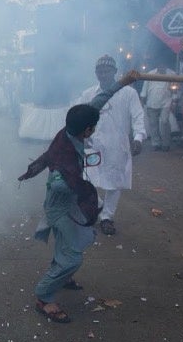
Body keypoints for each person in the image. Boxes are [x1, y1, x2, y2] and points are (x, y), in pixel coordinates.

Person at [19, 71, 139, 322]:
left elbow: (99, 99)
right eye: (93, 128)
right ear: (87, 129)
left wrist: (124, 82)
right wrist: (89, 198)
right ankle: (44, 296)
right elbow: (62, 184)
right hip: (61, 205)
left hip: (69, 201)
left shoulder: (73, 128)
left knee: (70, 242)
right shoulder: (65, 159)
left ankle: (62, 275)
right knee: (73, 257)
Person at [75, 55, 146, 236]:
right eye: (100, 71)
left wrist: (138, 137)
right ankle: (99, 208)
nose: (103, 74)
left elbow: (138, 116)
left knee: (114, 183)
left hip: (117, 146)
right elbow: (78, 116)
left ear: (115, 72)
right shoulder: (88, 94)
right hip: (93, 145)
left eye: (107, 71)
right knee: (85, 180)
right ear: (96, 73)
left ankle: (107, 217)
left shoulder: (128, 93)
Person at [140, 61, 176, 151]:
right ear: (157, 65)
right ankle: (156, 143)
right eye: (160, 65)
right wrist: (142, 100)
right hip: (151, 102)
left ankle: (166, 143)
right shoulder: (150, 74)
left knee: (164, 122)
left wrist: (174, 101)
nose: (162, 67)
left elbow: (175, 89)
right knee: (153, 124)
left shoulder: (172, 74)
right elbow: (144, 89)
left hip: (166, 102)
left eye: (163, 65)